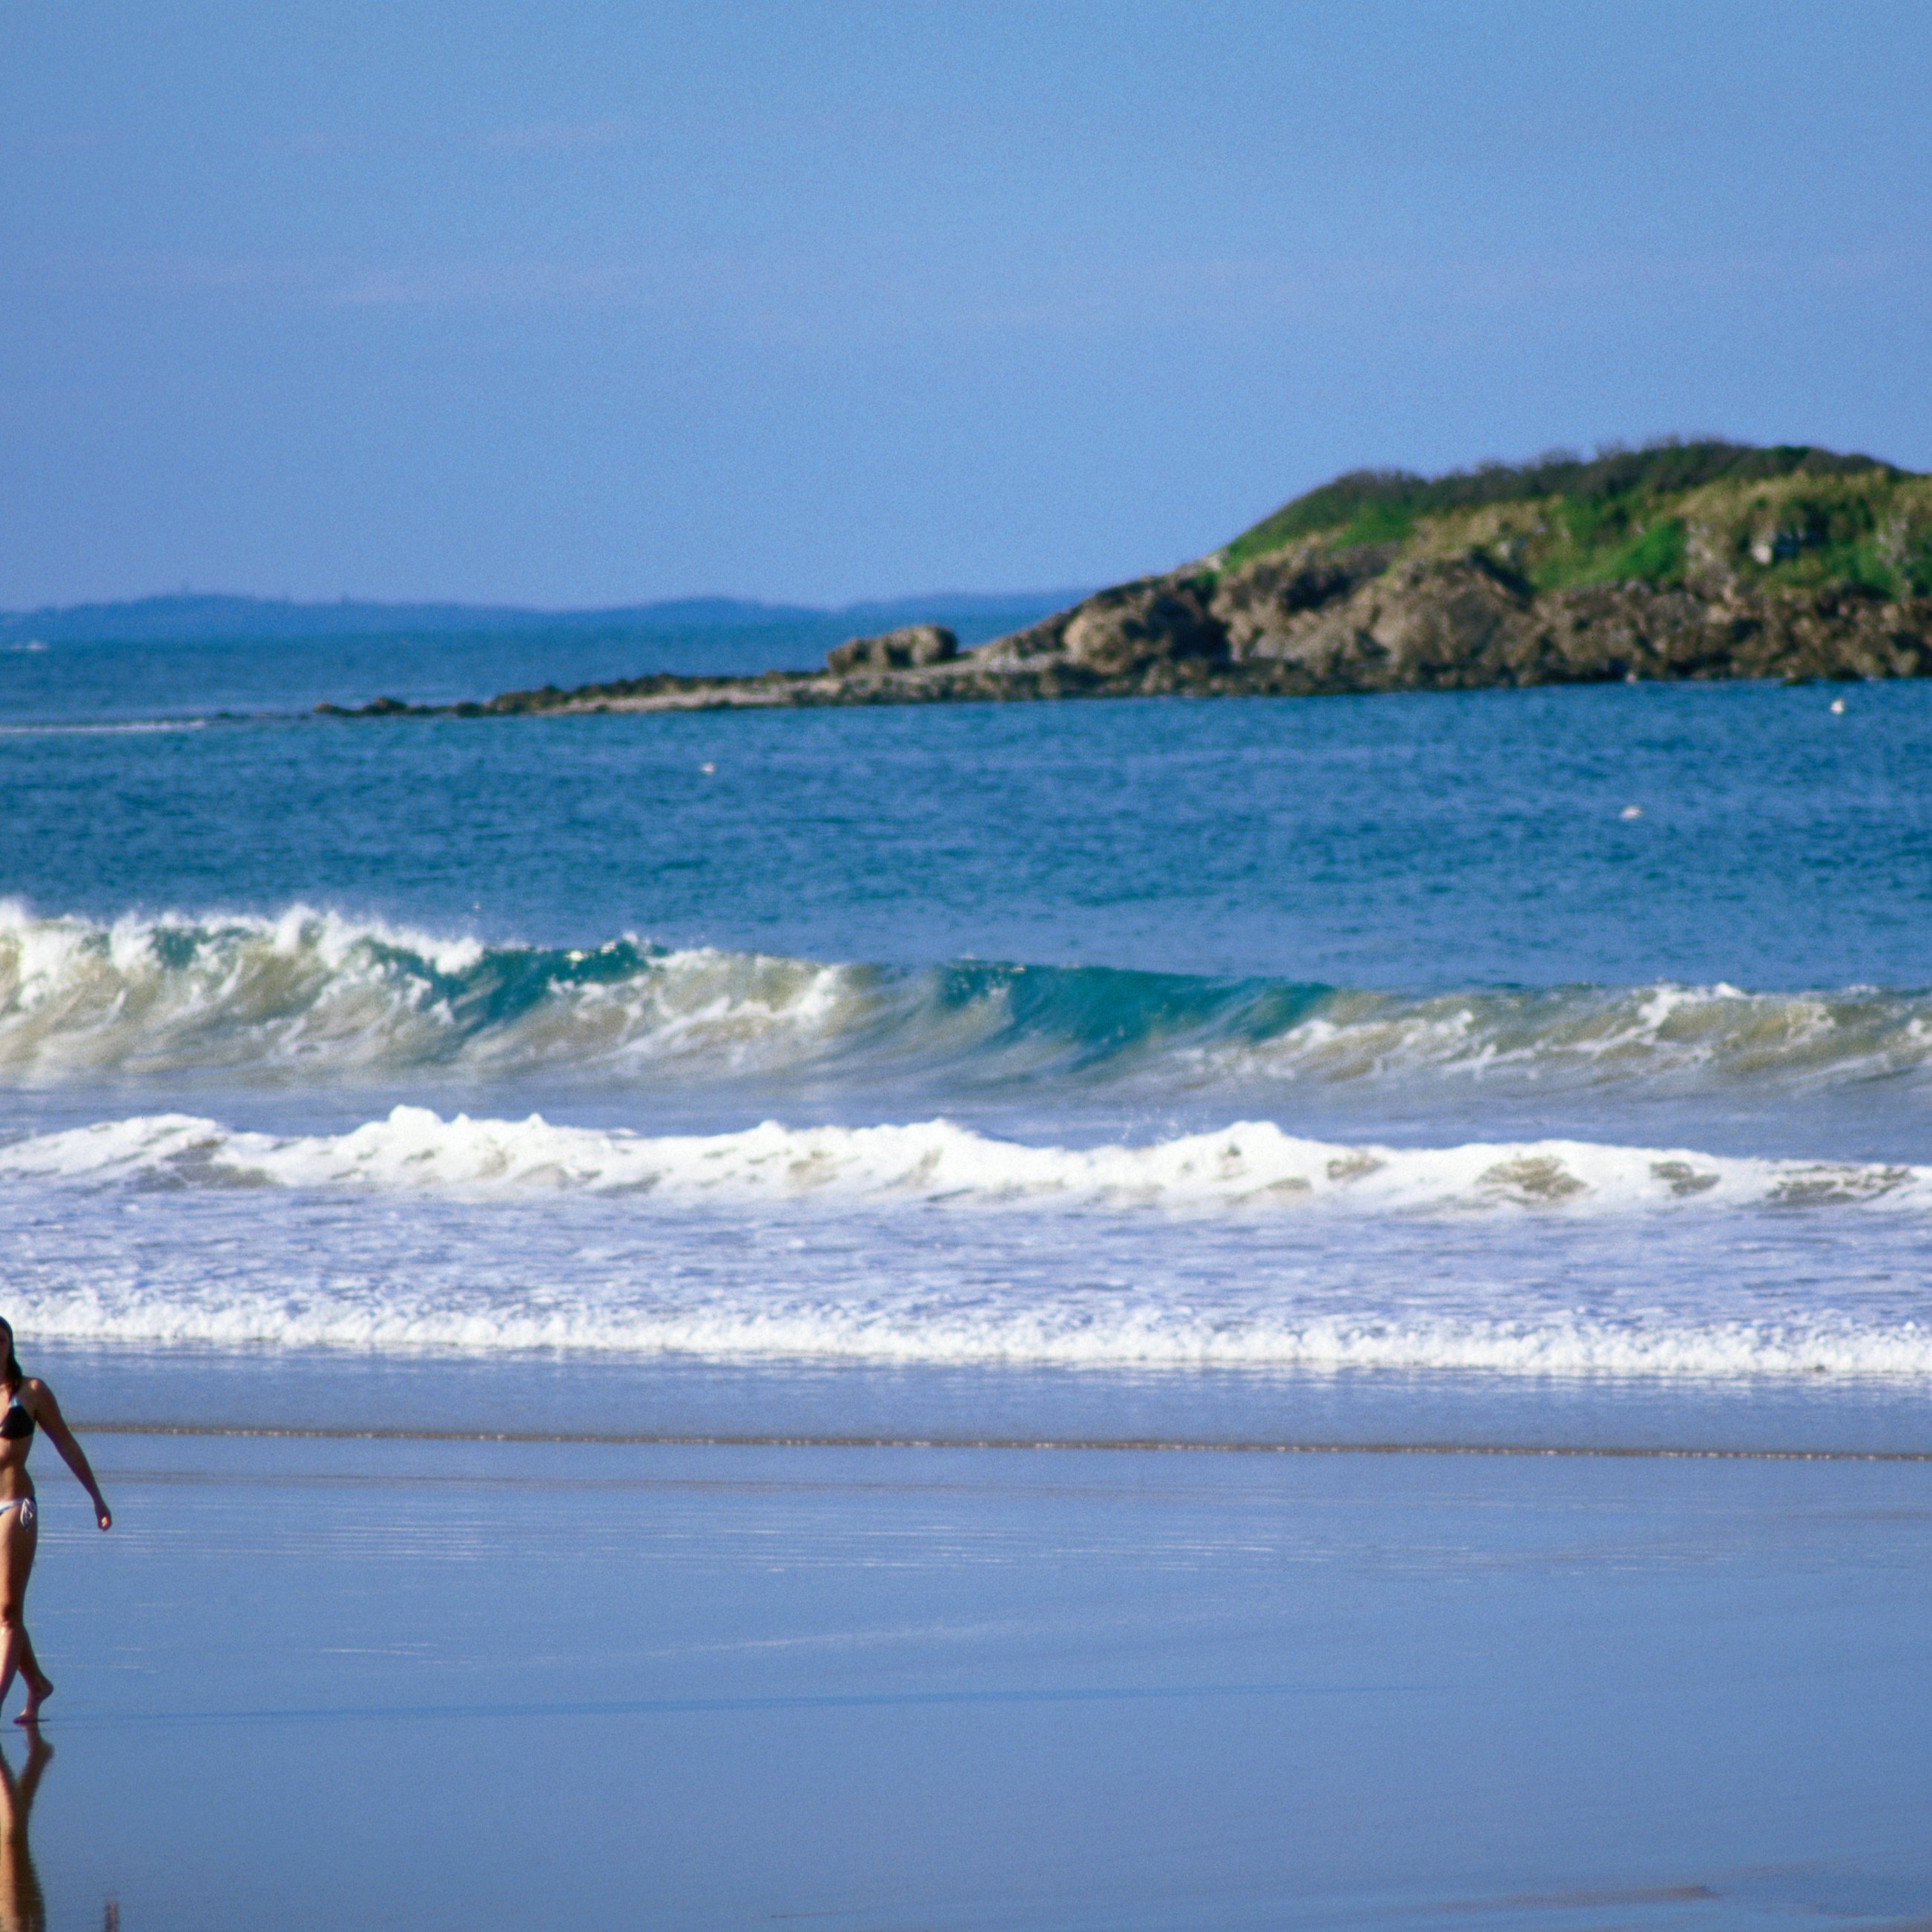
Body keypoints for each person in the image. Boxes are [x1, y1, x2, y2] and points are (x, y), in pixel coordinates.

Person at [0, 1321, 111, 1726]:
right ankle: (38, 1684)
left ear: (10, 1345)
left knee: (9, 1611)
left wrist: (96, 1497)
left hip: (16, 1505)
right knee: (1, 1612)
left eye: (2, 1339)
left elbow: (65, 1442)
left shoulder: (31, 1393)